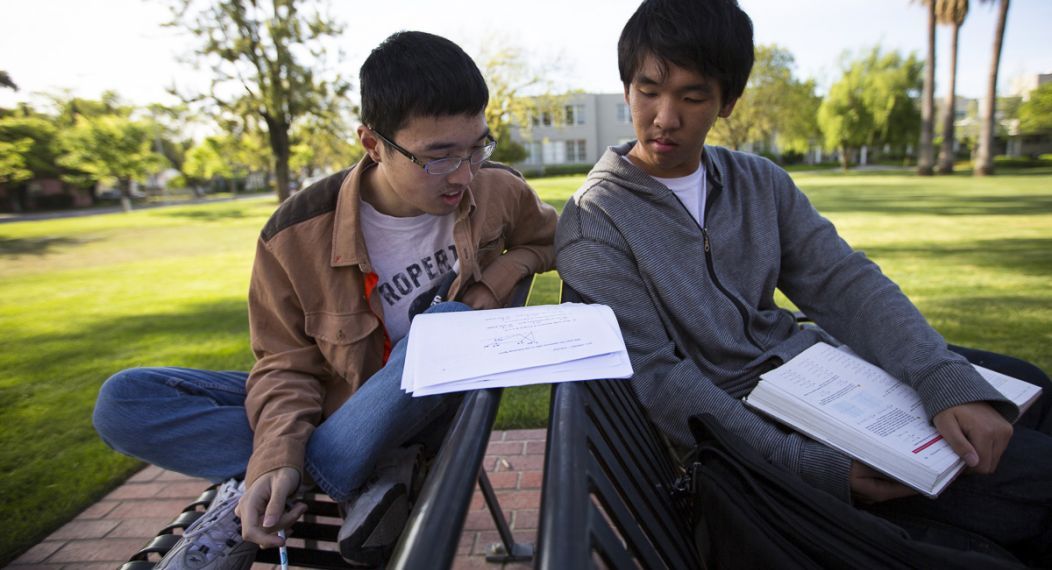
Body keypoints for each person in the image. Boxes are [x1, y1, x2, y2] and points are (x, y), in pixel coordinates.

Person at [554, 0, 1051, 565]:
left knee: (1023, 387)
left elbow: (844, 281)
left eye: (692, 97)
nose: (665, 117)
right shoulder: (596, 220)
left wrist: (939, 374)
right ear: (626, 89)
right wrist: (812, 467)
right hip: (752, 438)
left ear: (727, 101)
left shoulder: (758, 182)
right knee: (1035, 483)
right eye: (648, 91)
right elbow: (661, 380)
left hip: (825, 381)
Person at [93, 30, 557, 569]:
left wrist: (495, 280)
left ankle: (256, 492)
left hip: (431, 404)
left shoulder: (498, 190)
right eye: (438, 156)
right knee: (125, 401)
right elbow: (286, 365)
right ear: (372, 143)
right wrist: (272, 461)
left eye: (476, 146)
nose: (463, 173)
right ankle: (365, 475)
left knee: (444, 329)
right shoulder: (292, 235)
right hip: (337, 401)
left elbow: (545, 240)